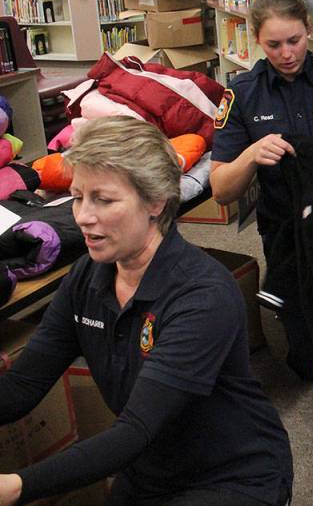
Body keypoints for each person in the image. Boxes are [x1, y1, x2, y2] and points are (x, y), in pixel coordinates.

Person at [0, 117, 293, 506]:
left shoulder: (202, 295)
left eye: (103, 200)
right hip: (149, 466)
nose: (83, 216)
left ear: (155, 201)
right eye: (77, 197)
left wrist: (16, 487)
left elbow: (135, 429)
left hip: (232, 476)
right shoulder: (87, 277)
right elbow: (22, 386)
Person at [211, 0, 313, 383]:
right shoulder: (242, 94)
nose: (286, 53)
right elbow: (221, 190)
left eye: (294, 40)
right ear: (257, 40)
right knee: (309, 356)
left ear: (308, 30)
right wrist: (250, 155)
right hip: (287, 229)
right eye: (273, 44)